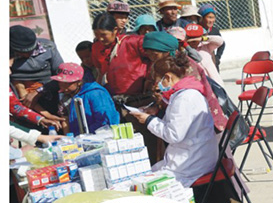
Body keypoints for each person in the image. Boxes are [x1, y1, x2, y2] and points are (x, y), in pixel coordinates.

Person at [129, 54, 219, 187]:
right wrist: (156, 114)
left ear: (167, 78)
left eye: (157, 81)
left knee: (140, 185)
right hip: (194, 155)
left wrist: (148, 120)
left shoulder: (184, 98)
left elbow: (173, 135)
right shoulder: (188, 93)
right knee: (145, 174)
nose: (156, 86)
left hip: (191, 163)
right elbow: (179, 121)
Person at [90, 12, 150, 98]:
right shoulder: (96, 48)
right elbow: (100, 73)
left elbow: (156, 58)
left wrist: (149, 81)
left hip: (139, 95)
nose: (100, 39)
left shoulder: (133, 42)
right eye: (96, 35)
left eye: (103, 34)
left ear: (115, 30)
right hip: (114, 96)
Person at [51, 62, 120, 134]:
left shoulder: (95, 94)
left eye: (67, 83)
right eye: (60, 82)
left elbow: (105, 120)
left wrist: (86, 134)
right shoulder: (65, 97)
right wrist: (69, 137)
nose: (63, 87)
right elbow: (65, 119)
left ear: (79, 82)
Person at [10, 25, 64, 107]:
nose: (27, 55)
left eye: (31, 50)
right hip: (20, 95)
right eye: (22, 52)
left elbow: (61, 76)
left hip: (49, 91)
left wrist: (38, 91)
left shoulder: (49, 47)